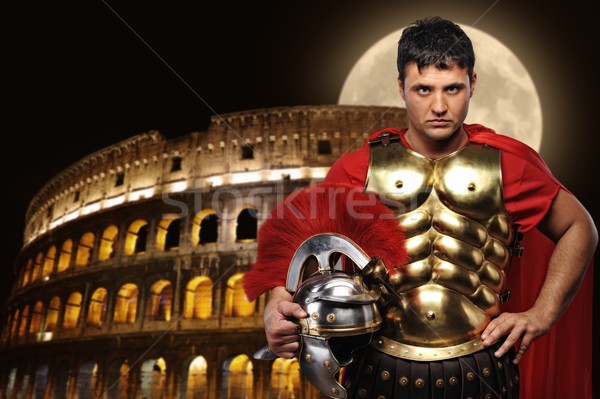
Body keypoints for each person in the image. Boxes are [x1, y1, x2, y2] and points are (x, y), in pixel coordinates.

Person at [249, 17, 597, 398]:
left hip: (481, 365)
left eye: (452, 89)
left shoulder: (506, 166)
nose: (439, 106)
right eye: (423, 89)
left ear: (473, 84)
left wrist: (541, 315)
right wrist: (277, 305)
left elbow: (579, 227)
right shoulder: (358, 169)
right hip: (380, 366)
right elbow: (300, 247)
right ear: (401, 87)